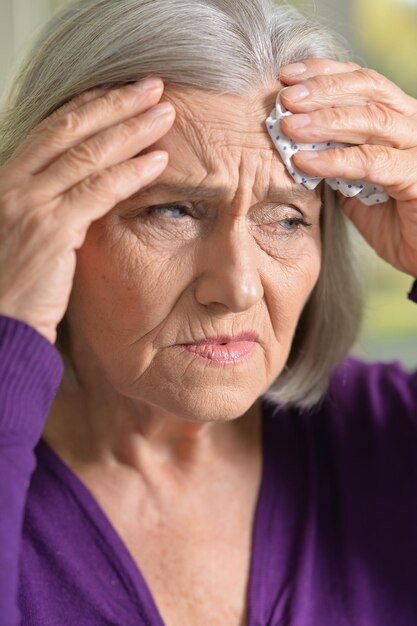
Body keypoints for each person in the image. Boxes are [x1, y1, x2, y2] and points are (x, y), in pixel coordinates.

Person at [0, 0, 416, 624]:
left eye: (285, 218)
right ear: (46, 221)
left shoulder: (384, 437)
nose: (239, 287)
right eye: (173, 211)